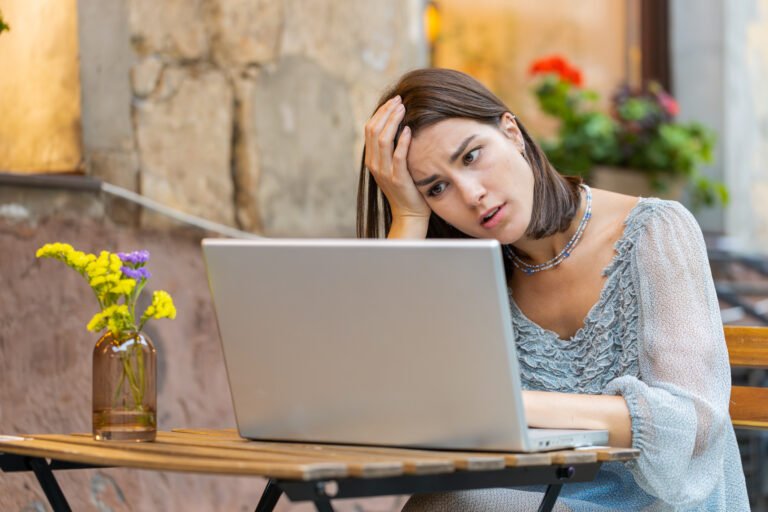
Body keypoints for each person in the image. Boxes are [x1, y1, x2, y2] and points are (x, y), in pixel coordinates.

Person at [357, 68, 749, 511]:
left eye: (470, 157)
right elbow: (383, 395)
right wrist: (408, 218)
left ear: (511, 132)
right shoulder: (472, 274)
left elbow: (693, 423)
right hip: (527, 497)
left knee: (456, 506)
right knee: (449, 503)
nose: (471, 194)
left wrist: (509, 407)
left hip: (659, 503)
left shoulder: (655, 231)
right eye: (437, 187)